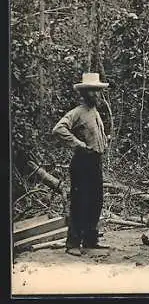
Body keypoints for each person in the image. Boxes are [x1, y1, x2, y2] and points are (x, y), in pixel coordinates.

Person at [52, 73, 109, 256]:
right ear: (84, 93)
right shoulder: (77, 112)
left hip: (95, 162)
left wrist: (104, 142)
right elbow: (59, 129)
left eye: (98, 91)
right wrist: (78, 144)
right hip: (82, 162)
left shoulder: (95, 112)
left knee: (96, 201)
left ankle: (90, 240)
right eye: (92, 91)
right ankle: (73, 243)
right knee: (79, 202)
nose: (96, 95)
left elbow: (95, 135)